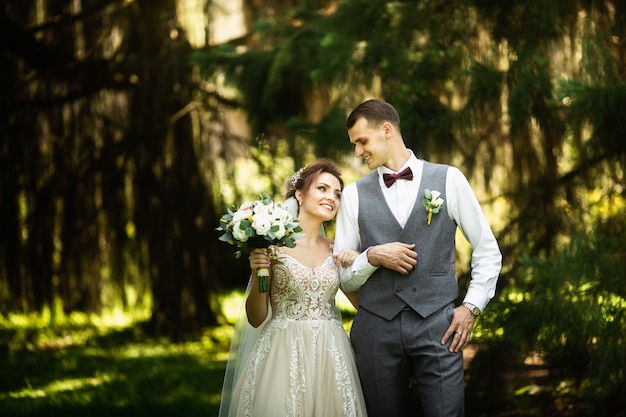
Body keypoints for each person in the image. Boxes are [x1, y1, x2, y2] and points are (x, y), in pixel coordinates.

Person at [333, 99, 502, 417]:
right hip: (374, 331)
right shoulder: (354, 195)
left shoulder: (449, 179)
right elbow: (342, 276)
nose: (358, 152)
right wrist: (372, 256)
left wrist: (470, 307)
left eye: (362, 141)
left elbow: (487, 250)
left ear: (386, 130)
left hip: (438, 327)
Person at [218, 158, 368, 417]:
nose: (331, 197)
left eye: (337, 194)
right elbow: (256, 318)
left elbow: (362, 304)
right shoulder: (272, 248)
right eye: (322, 189)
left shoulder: (338, 249)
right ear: (299, 193)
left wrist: (361, 262)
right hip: (282, 353)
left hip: (330, 356)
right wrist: (257, 272)